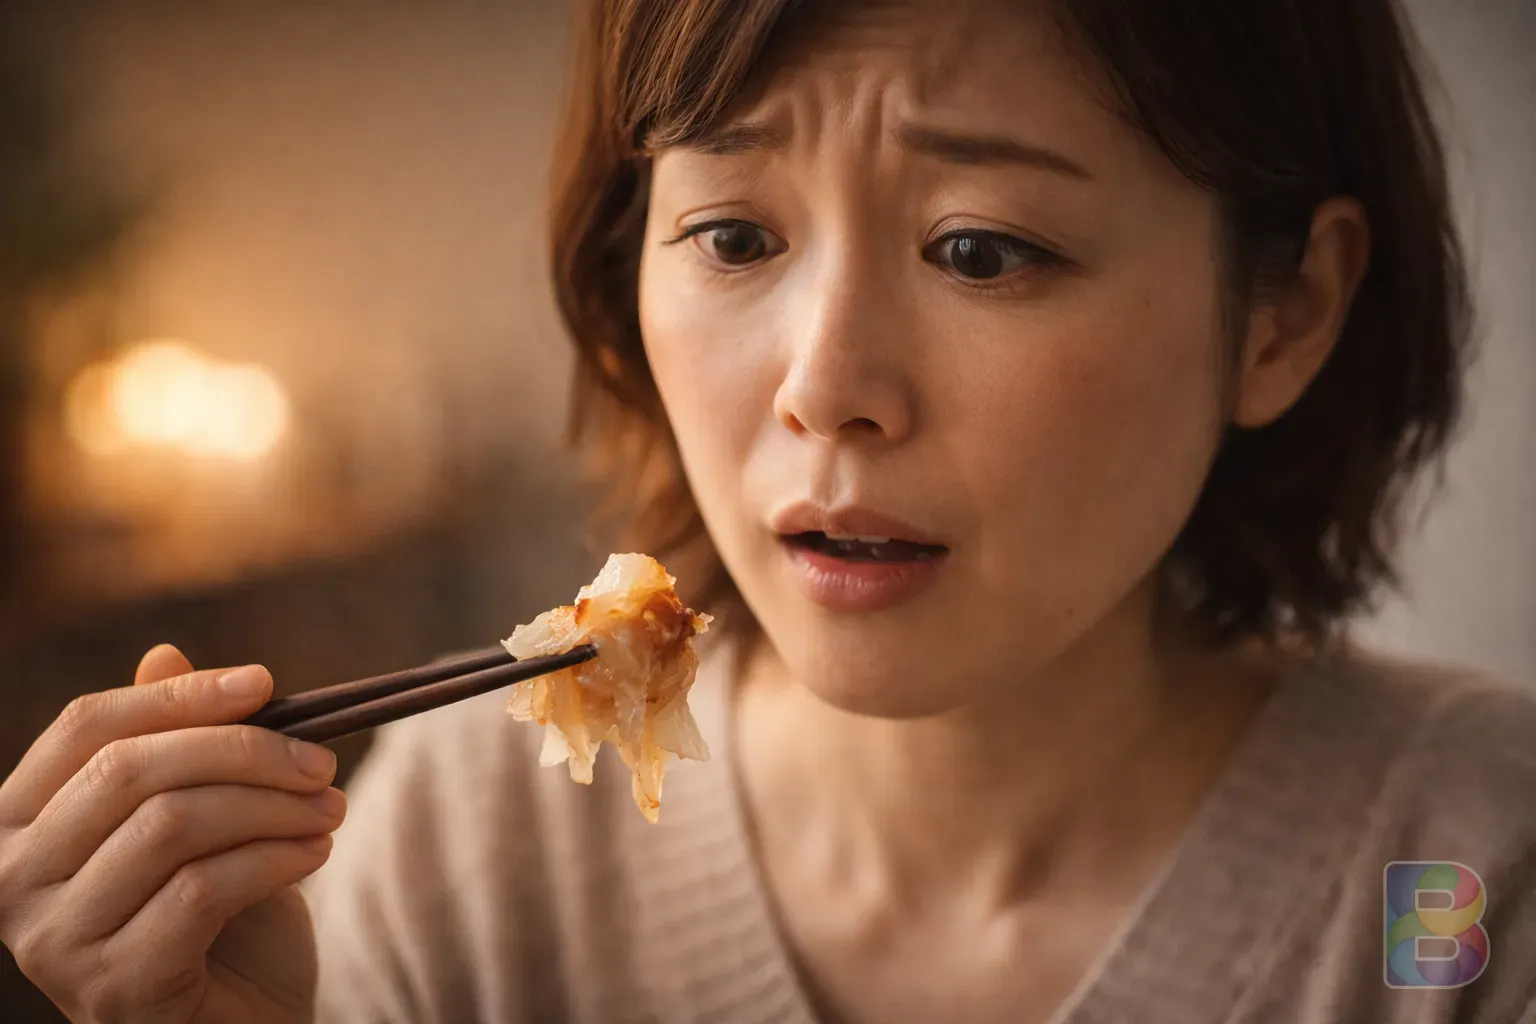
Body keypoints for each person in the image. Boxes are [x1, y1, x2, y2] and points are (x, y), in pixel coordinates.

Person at [3, 0, 1533, 1021]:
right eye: (733, 232)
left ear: (1284, 311)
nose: (827, 386)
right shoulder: (467, 858)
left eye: (985, 250)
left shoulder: (1461, 876)